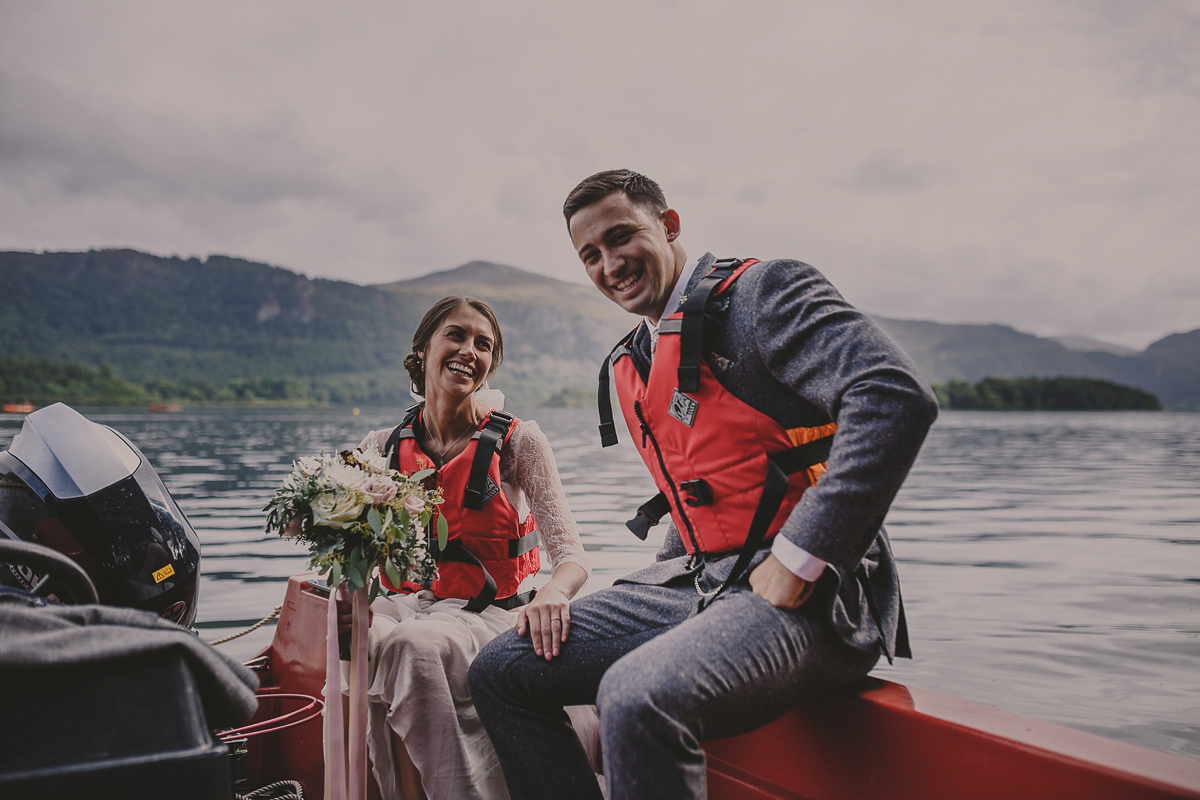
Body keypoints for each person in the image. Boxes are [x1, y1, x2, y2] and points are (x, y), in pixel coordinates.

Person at [468, 169, 939, 800]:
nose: (610, 264)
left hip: (815, 594)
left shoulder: (765, 294)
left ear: (669, 226)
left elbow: (894, 395)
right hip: (703, 584)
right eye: (590, 255)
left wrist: (801, 555)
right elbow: (705, 499)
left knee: (635, 697)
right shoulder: (639, 352)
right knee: (501, 670)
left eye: (621, 237)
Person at [341, 296, 593, 800]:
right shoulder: (381, 447)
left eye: (484, 344)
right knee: (361, 642)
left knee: (414, 647)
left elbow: (572, 557)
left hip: (490, 617)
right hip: (411, 604)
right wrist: (352, 601)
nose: (468, 350)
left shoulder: (520, 441)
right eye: (455, 335)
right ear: (424, 348)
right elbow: (357, 561)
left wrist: (553, 595)